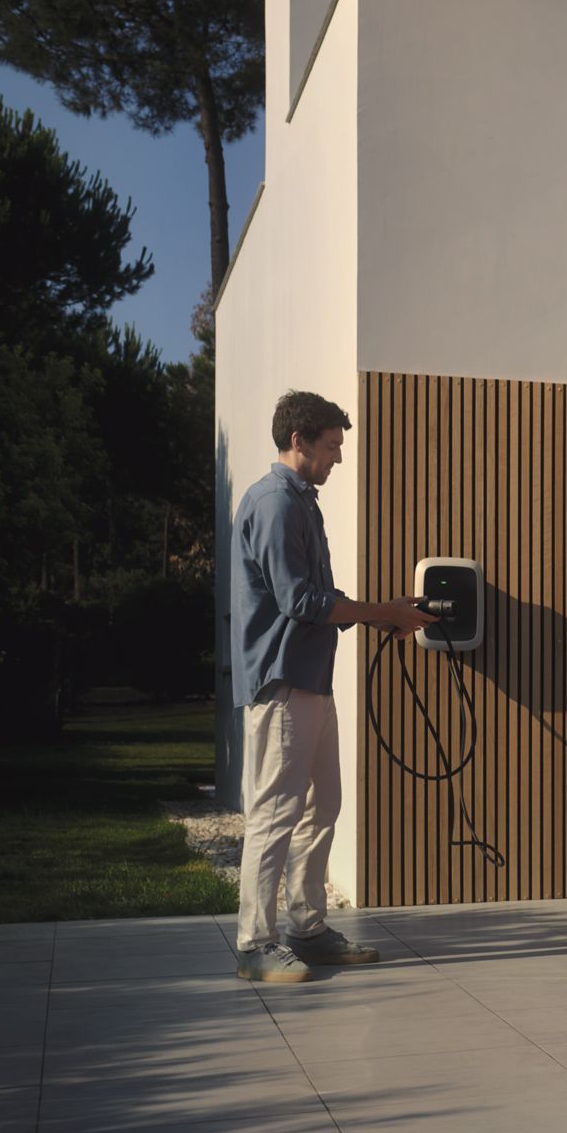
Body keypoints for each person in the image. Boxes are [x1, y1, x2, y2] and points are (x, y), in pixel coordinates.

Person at [230, 390, 434, 983]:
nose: (337, 458)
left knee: (322, 809)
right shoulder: (275, 504)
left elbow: (318, 600)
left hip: (311, 682)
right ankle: (254, 944)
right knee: (275, 814)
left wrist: (382, 611)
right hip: (283, 681)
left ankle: (308, 929)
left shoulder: (301, 502)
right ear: (299, 441)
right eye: (331, 446)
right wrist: (380, 614)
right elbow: (299, 601)